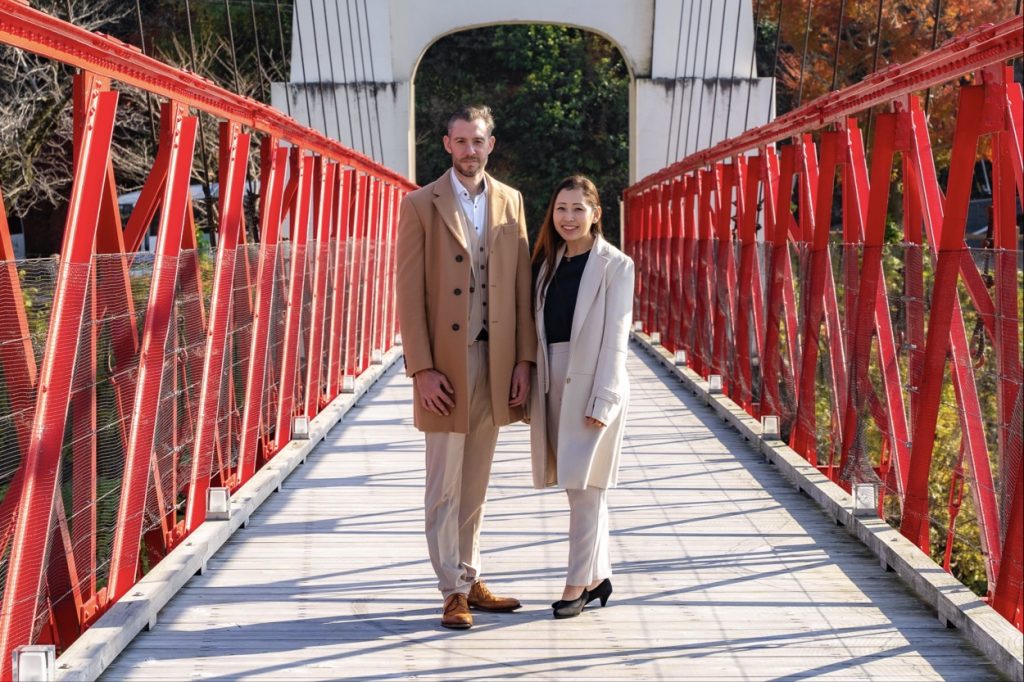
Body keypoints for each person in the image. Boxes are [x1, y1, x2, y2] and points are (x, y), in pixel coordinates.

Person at [396, 105, 536, 629]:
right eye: (460, 141)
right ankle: (450, 589)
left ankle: (469, 576)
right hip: (446, 369)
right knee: (444, 485)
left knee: (476, 482)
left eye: (478, 141)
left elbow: (521, 287)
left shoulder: (511, 202)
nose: (469, 150)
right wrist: (421, 369)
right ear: (446, 144)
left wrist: (524, 359)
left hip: (495, 361)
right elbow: (408, 296)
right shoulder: (419, 205)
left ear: (490, 145)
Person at [527, 175, 634, 619]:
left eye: (578, 209)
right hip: (553, 382)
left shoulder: (616, 265)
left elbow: (616, 337)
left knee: (584, 489)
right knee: (584, 489)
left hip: (593, 383)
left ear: (596, 214)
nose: (568, 218)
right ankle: (598, 575)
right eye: (561, 208)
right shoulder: (546, 263)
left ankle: (575, 586)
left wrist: (604, 399)